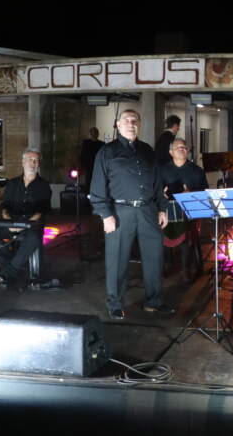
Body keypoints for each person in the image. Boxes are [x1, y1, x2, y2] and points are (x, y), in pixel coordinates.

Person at [90, 109, 173, 320]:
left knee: (154, 257)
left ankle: (154, 301)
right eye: (126, 120)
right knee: (117, 259)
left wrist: (162, 208)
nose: (130, 123)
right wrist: (105, 214)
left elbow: (157, 183)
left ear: (139, 124)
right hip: (119, 212)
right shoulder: (106, 152)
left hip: (148, 211)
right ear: (118, 125)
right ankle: (115, 303)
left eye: (134, 120)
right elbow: (97, 186)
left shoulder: (147, 150)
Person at [0, 148, 52, 287]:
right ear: (23, 162)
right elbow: (5, 205)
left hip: (31, 224)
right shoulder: (13, 183)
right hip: (11, 222)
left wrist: (23, 225)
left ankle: (11, 271)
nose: (33, 163)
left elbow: (42, 210)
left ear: (39, 164)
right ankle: (12, 262)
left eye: (36, 160)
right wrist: (8, 221)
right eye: (30, 160)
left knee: (33, 238)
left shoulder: (44, 185)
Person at [159, 137, 208, 283]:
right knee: (159, 227)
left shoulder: (197, 171)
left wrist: (191, 194)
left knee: (187, 232)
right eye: (178, 148)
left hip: (189, 212)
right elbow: (156, 191)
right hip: (168, 211)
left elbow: (205, 193)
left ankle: (186, 268)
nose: (182, 150)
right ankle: (165, 263)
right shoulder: (162, 170)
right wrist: (161, 194)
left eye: (184, 148)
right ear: (171, 152)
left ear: (187, 151)